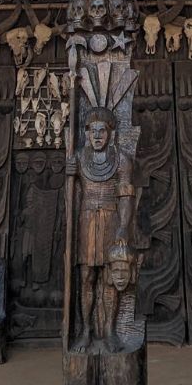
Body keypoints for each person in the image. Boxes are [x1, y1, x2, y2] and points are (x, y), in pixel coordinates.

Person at [67, 106, 134, 352]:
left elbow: (126, 195)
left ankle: (109, 330)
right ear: (86, 134)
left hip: (111, 219)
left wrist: (123, 228)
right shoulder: (78, 158)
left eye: (102, 131)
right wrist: (70, 176)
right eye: (93, 131)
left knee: (108, 277)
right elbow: (72, 198)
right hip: (86, 220)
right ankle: (86, 330)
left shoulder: (121, 160)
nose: (97, 136)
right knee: (86, 276)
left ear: (111, 134)